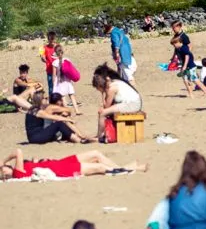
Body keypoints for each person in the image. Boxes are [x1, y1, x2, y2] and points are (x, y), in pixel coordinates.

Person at [2, 147, 141, 180]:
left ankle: (121, 167)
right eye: (3, 170)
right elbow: (18, 151)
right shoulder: (17, 173)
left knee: (96, 153)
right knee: (99, 167)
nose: (6, 168)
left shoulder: (20, 169)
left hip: (61, 162)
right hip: (63, 170)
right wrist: (3, 161)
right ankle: (126, 169)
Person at [91, 66, 143, 141]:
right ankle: (102, 135)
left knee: (102, 113)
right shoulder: (115, 81)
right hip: (133, 103)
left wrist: (102, 93)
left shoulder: (112, 88)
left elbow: (106, 106)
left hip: (132, 104)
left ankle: (99, 137)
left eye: (98, 88)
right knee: (105, 111)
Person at [24, 92, 89, 144]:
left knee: (59, 124)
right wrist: (68, 119)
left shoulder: (32, 109)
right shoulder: (39, 112)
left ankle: (77, 137)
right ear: (40, 100)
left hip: (35, 136)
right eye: (45, 98)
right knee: (59, 124)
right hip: (36, 137)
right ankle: (77, 139)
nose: (47, 99)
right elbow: (55, 118)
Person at [51, 44, 81, 113]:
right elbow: (72, 69)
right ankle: (77, 110)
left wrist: (53, 83)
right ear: (62, 52)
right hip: (67, 81)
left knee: (63, 97)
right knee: (72, 95)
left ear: (55, 53)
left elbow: (54, 75)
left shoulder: (54, 62)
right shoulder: (67, 60)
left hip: (59, 81)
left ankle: (67, 111)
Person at [40, 30, 57, 95]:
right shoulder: (44, 48)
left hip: (58, 71)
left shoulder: (58, 47)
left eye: (53, 39)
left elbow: (61, 56)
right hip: (50, 71)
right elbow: (42, 56)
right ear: (48, 39)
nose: (52, 41)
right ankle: (51, 102)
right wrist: (43, 58)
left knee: (59, 87)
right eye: (50, 39)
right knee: (51, 88)